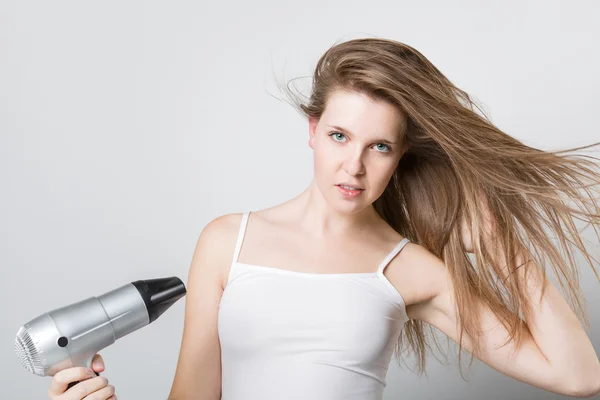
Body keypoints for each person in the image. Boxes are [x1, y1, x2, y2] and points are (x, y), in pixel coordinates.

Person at [47, 37, 600, 400]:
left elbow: (580, 376)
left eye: (379, 146)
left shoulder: (410, 269)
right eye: (339, 136)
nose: (353, 166)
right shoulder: (226, 242)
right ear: (312, 130)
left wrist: (504, 246)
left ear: (401, 154)